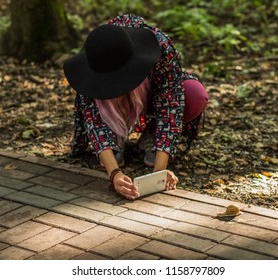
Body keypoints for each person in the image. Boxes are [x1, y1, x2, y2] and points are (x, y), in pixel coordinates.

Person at [63, 14, 209, 200]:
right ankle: (115, 136)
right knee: (108, 142)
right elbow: (94, 120)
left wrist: (158, 173)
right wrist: (114, 174)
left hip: (150, 96)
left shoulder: (160, 47)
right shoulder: (92, 63)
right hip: (112, 108)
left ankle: (151, 135)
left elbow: (170, 106)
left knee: (195, 94)